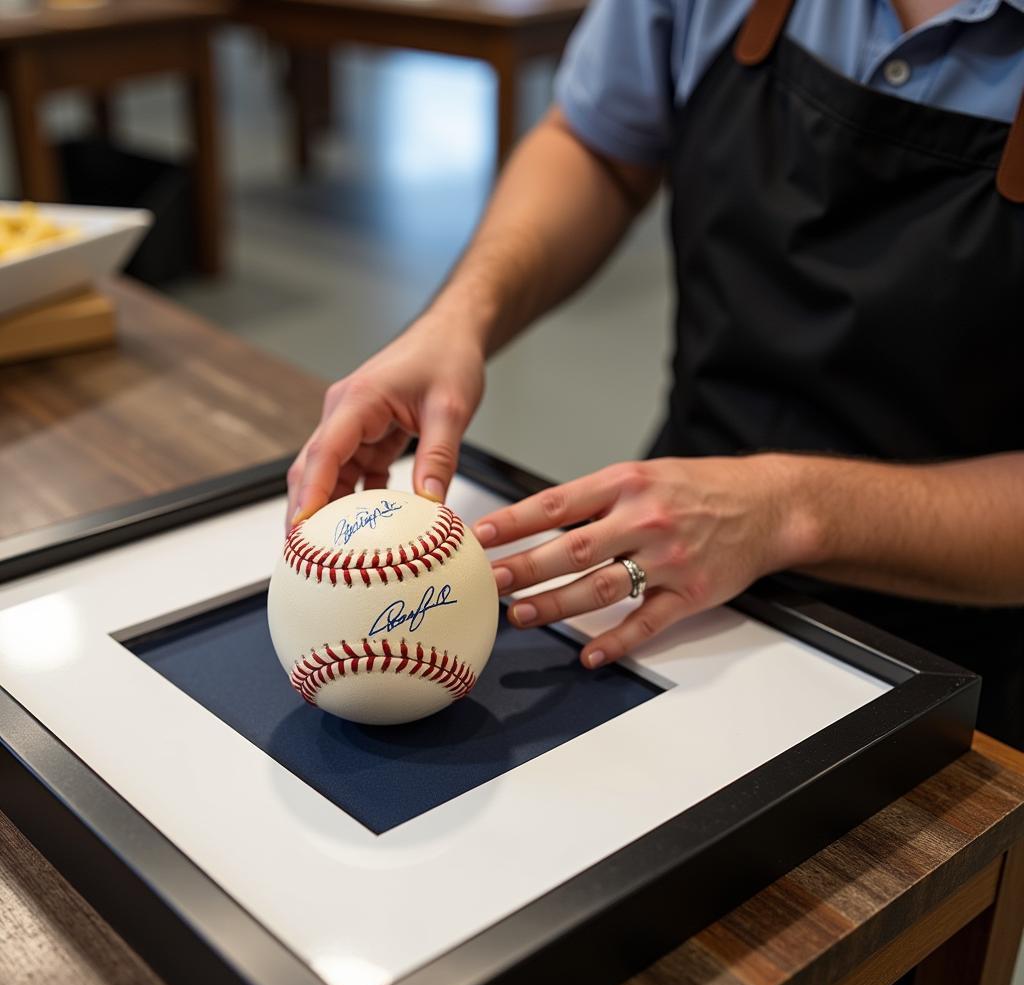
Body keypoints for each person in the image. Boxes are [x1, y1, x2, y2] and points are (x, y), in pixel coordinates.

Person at [287, 0, 1024, 751]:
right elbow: (600, 146)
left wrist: (787, 510)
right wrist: (459, 318)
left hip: (968, 640)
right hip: (680, 546)